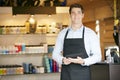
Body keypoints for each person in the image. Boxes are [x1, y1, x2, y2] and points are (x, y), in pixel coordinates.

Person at [52, 3, 102, 80]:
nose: (76, 15)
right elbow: (55, 54)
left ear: (83, 15)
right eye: (73, 13)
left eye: (79, 13)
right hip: (66, 74)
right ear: (70, 15)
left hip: (83, 74)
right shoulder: (62, 33)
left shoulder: (90, 33)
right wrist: (62, 60)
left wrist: (83, 61)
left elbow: (98, 56)